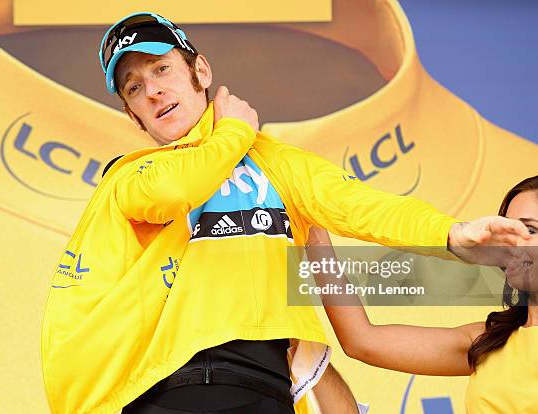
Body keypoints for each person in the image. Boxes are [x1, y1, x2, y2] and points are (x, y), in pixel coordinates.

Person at [40, 12, 530, 414]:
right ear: (133, 115)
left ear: (200, 72)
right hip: (168, 389)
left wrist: (451, 233)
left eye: (162, 70)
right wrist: (233, 133)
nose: (152, 91)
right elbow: (177, 188)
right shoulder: (132, 176)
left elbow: (358, 205)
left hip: (264, 386)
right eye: (133, 87)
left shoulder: (278, 164)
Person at [310, 175, 538, 413]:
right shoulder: (489, 339)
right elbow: (361, 340)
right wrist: (315, 237)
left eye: (530, 229)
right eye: (508, 230)